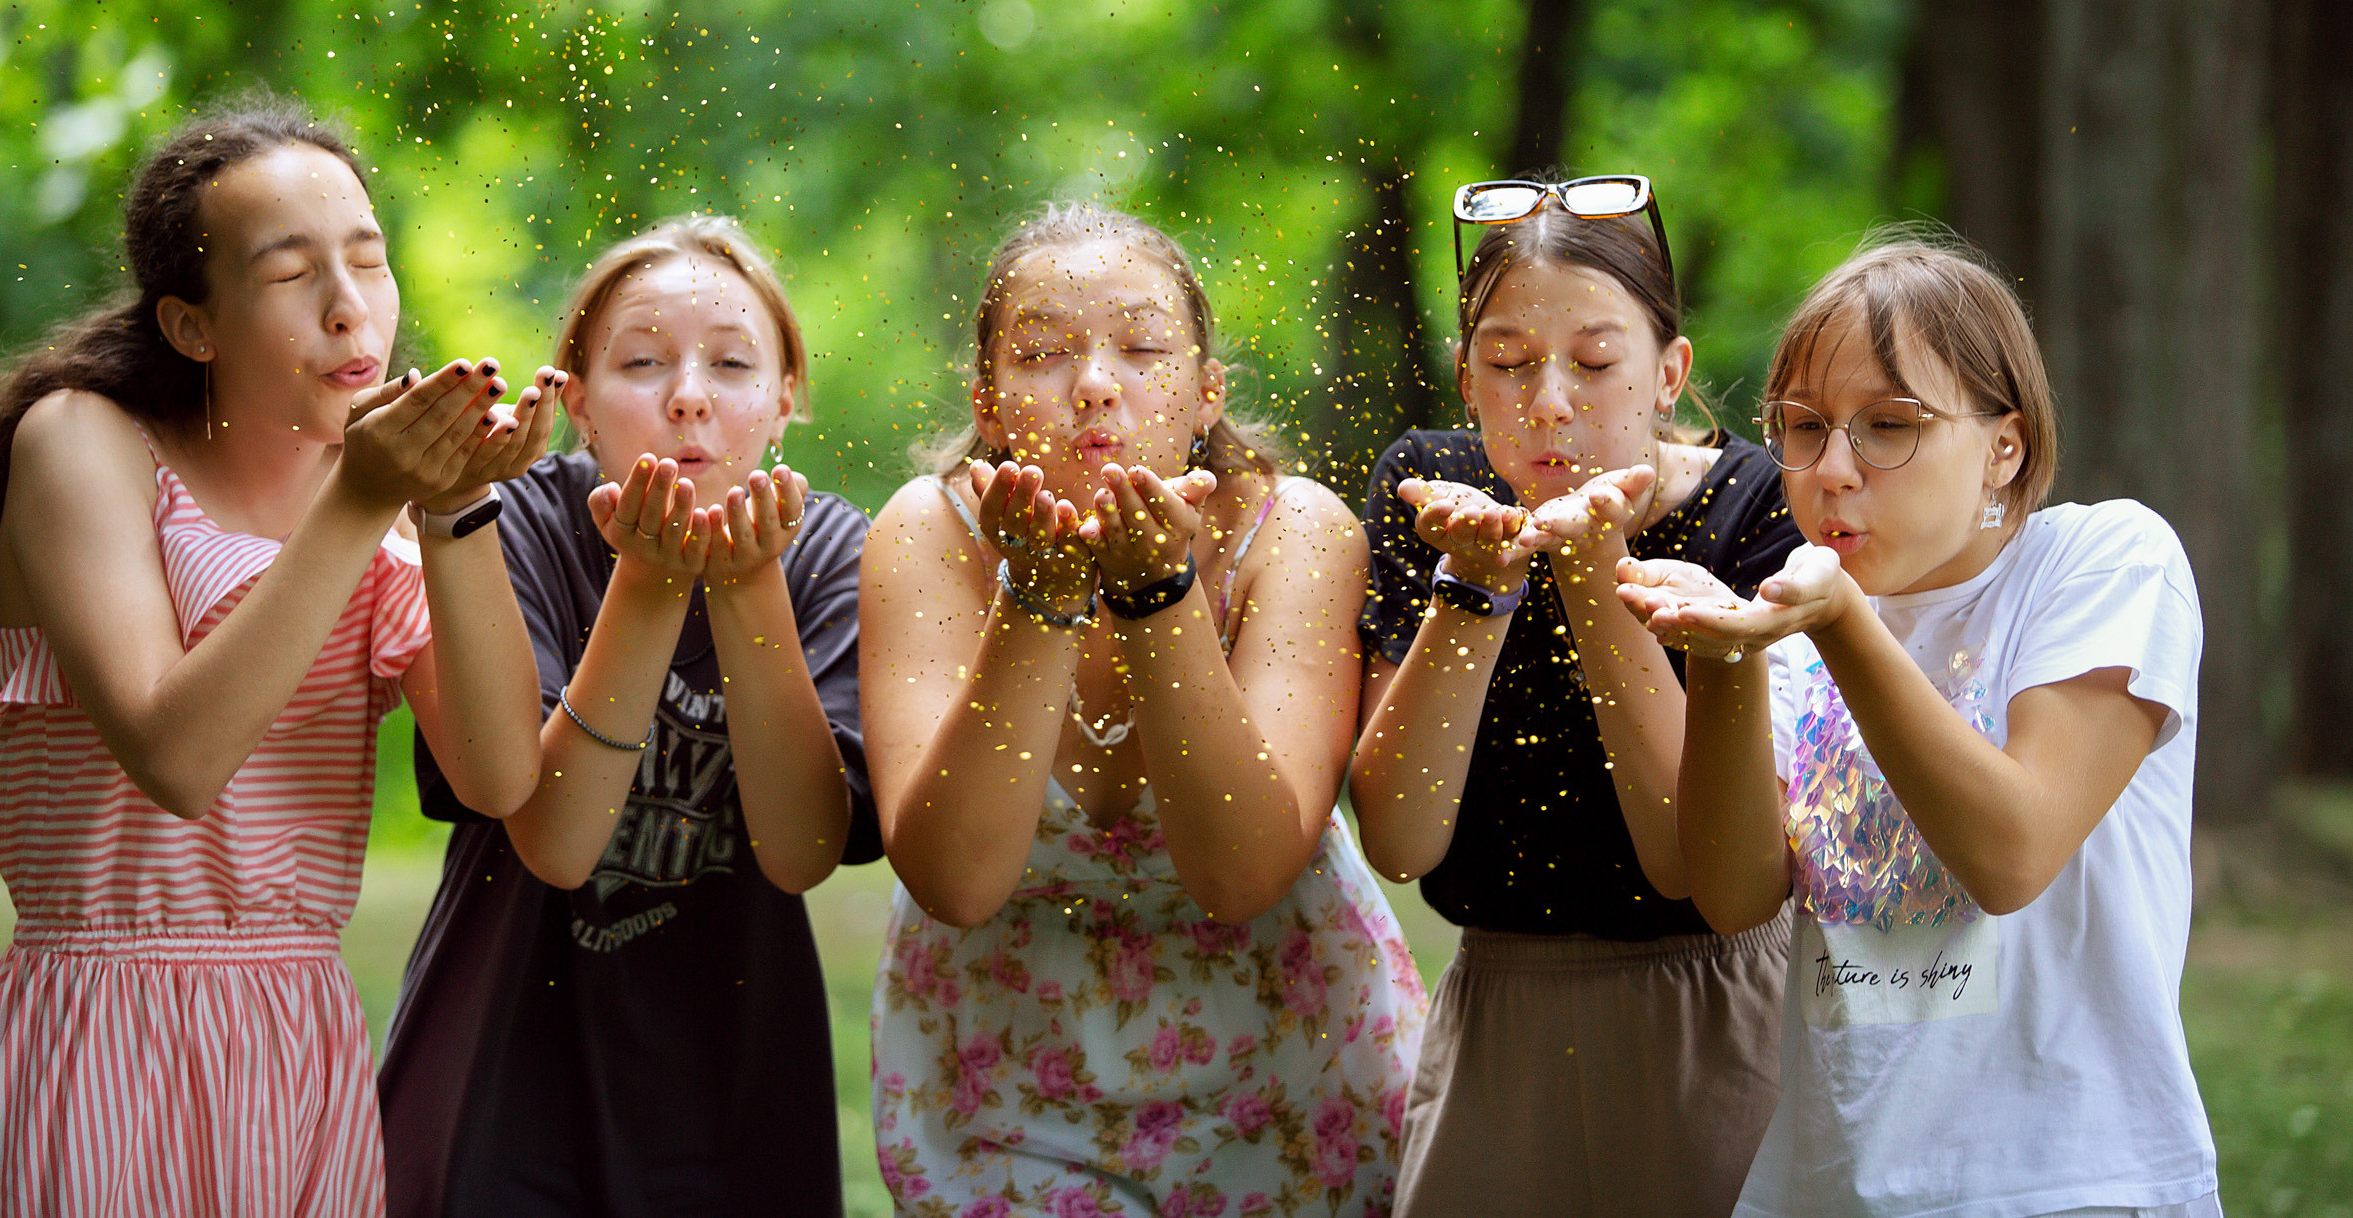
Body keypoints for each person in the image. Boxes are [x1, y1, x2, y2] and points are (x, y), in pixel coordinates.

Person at [0, 100, 557, 1216]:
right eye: (292, 274)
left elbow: (498, 778)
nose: (352, 307)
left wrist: (457, 504)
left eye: (368, 260)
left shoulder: (380, 502)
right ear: (193, 326)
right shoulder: (83, 442)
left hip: (301, 1042)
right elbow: (175, 755)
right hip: (102, 1030)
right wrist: (366, 496)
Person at [1617, 234, 2220, 1218]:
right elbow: (1731, 896)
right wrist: (1724, 653)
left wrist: (1838, 622)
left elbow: (2012, 851)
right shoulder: (1799, 622)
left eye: (1887, 425)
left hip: (2072, 1181)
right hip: (1826, 1186)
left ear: (2004, 443)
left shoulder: (2102, 561)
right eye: (1803, 426)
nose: (1832, 467)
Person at [863, 203, 1424, 1218]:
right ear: (987, 401)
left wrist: (1157, 594)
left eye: (1142, 345)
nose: (1090, 381)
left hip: (1295, 1071)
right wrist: (1037, 592)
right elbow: (953, 876)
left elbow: (1243, 870)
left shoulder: (1297, 532)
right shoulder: (926, 535)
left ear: (1205, 390)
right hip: (1004, 1078)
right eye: (1040, 351)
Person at [379, 215, 878, 1217]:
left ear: (785, 398)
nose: (688, 393)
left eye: (733, 362)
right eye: (641, 360)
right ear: (576, 402)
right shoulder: (503, 514)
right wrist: (649, 580)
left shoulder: (830, 554)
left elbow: (802, 848)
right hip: (502, 1079)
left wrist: (745, 587)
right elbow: (554, 837)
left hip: (739, 1086)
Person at [1348, 174, 1803, 1216]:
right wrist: (1476, 589)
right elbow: (1401, 838)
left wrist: (1591, 574)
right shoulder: (1430, 491)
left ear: (1668, 373)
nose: (1548, 399)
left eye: (1596, 361)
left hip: (1717, 1005)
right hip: (1496, 1009)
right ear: (1466, 378)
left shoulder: (1760, 508)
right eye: (1506, 363)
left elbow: (1690, 860)